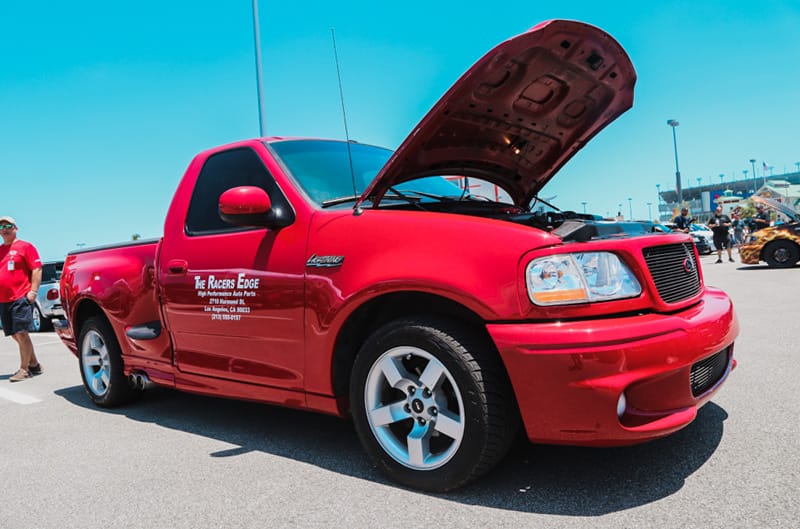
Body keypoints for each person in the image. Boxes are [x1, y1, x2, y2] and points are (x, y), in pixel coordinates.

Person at [0, 215, 43, 382]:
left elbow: (37, 269)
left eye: (8, 225)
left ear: (15, 228)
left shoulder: (26, 247)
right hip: (4, 299)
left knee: (21, 333)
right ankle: (34, 364)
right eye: (1, 227)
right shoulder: (0, 250)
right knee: (14, 334)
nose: (4, 229)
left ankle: (24, 370)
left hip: (20, 296)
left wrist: (33, 291)